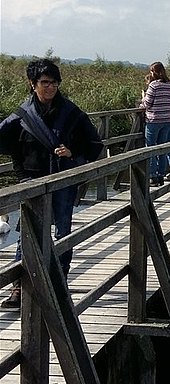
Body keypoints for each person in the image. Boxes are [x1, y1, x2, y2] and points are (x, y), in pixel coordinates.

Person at [0, 59, 104, 308]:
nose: (50, 88)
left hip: (62, 181)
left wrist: (72, 151)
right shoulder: (22, 116)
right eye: (45, 83)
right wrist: (20, 174)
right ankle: (19, 288)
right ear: (32, 84)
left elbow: (94, 144)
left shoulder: (72, 113)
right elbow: (8, 145)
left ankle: (59, 283)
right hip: (32, 182)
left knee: (62, 232)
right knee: (27, 234)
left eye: (54, 83)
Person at [140, 62, 170, 187]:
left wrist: (143, 98)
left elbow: (147, 104)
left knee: (151, 148)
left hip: (154, 120)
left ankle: (152, 176)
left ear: (154, 72)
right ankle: (161, 175)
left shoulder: (153, 85)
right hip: (167, 120)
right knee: (162, 149)